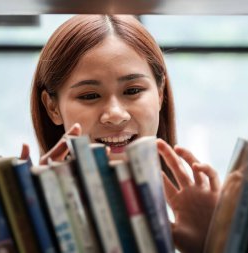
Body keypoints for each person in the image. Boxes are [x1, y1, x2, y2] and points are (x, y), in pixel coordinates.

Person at [21, 15, 220, 253]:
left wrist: (212, 244)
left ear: (160, 93)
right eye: (89, 95)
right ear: (53, 107)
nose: (115, 115)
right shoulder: (20, 220)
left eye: (133, 90)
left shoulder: (204, 218)